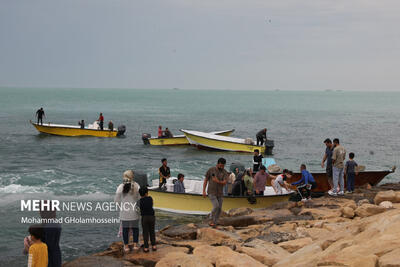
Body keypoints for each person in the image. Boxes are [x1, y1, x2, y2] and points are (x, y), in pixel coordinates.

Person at [114, 170, 140, 253]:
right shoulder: (137, 186)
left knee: (125, 229)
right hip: (134, 212)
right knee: (135, 229)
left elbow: (116, 201)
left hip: (124, 212)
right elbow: (139, 199)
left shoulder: (120, 186)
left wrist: (122, 207)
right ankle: (135, 245)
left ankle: (126, 246)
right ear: (132, 177)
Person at [202, 158, 228, 227]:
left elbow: (225, 182)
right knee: (216, 206)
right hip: (211, 191)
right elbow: (206, 180)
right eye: (221, 165)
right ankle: (210, 219)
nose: (222, 167)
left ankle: (215, 223)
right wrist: (203, 191)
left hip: (220, 193)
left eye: (223, 166)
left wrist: (218, 181)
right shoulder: (211, 170)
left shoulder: (225, 172)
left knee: (219, 209)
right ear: (218, 164)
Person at [138, 187, 156, 253]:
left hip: (144, 217)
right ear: (146, 193)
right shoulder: (150, 198)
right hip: (151, 217)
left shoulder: (140, 201)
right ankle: (154, 246)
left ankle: (146, 247)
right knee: (152, 231)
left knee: (145, 232)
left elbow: (141, 209)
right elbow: (151, 205)